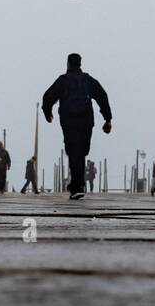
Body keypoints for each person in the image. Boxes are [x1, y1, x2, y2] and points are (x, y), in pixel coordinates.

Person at [42, 53, 113, 200]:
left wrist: (47, 113)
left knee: (74, 152)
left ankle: (77, 186)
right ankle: (77, 185)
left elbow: (48, 96)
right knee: (81, 151)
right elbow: (102, 96)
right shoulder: (88, 80)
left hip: (69, 121)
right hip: (86, 121)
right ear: (80, 64)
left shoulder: (63, 81)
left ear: (68, 63)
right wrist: (107, 119)